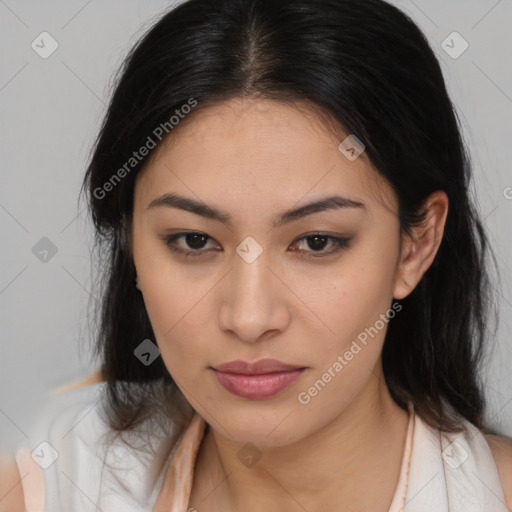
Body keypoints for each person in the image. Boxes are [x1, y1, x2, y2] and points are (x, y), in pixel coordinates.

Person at [2, 0, 512, 510]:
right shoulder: (51, 480)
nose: (249, 319)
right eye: (194, 241)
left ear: (415, 246)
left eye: (317, 242)